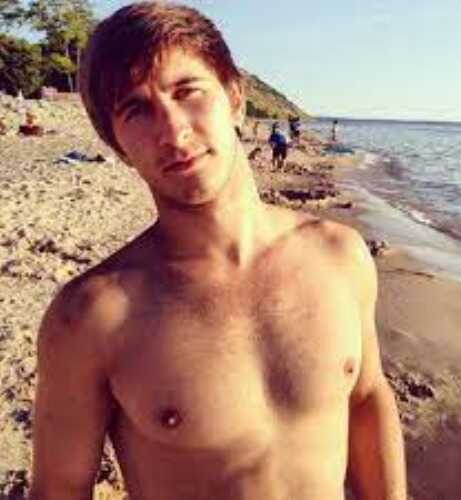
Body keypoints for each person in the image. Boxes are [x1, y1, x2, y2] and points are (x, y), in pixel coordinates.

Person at [29, 2, 406, 500]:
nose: (173, 132)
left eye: (187, 92)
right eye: (136, 110)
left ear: (235, 99)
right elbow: (58, 489)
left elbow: (366, 398)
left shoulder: (340, 256)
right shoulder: (91, 317)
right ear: (118, 145)